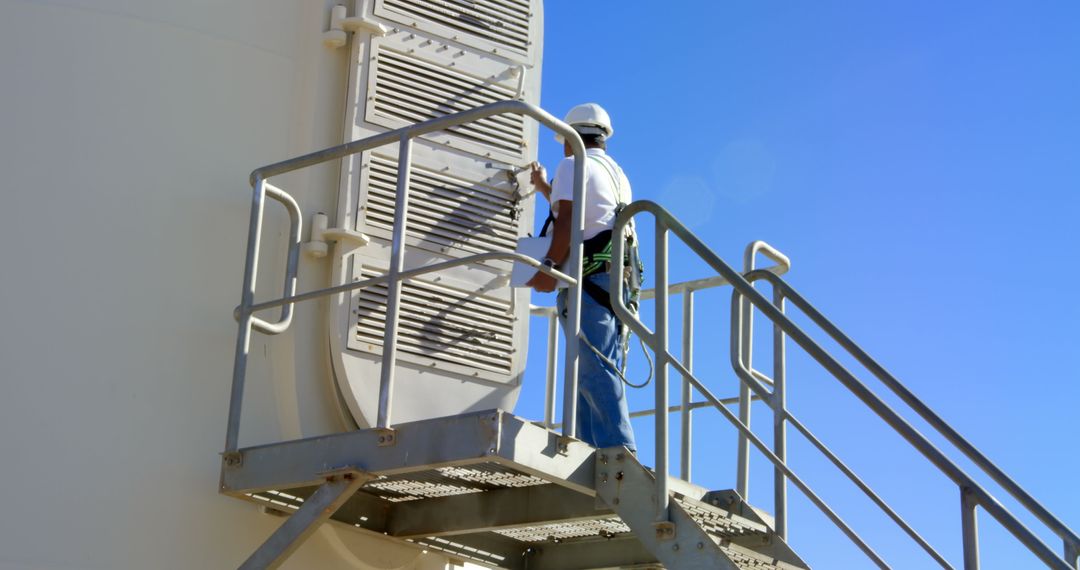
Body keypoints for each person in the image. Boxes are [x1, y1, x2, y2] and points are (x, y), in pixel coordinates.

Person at [526, 102, 636, 453]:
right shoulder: (615, 172)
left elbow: (569, 221)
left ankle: (618, 448)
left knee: (593, 367)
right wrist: (546, 188)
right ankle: (592, 448)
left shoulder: (573, 164)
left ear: (569, 139)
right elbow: (592, 213)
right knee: (594, 364)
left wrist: (547, 267)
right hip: (616, 281)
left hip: (587, 282)